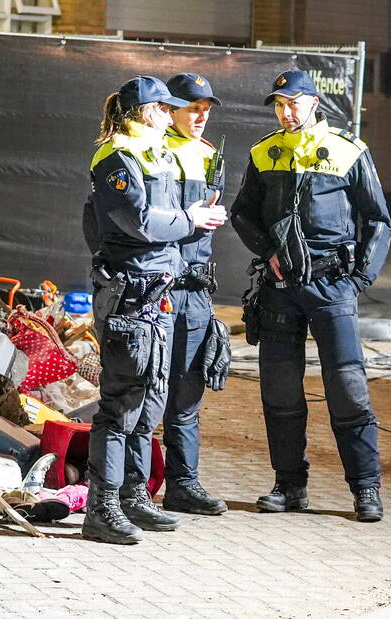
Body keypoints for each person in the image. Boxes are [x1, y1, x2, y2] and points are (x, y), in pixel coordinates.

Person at [229, 69, 391, 522]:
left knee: (348, 389)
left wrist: (359, 280)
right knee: (280, 393)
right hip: (280, 290)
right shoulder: (265, 152)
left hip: (332, 285)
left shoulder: (348, 151)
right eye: (279, 104)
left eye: (293, 103)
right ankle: (289, 486)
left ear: (314, 103)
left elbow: (378, 220)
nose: (285, 112)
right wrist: (268, 252)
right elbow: (242, 214)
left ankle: (365, 489)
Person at [82, 75, 227, 544]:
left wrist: (190, 223)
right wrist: (191, 219)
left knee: (151, 399)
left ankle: (132, 495)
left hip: (157, 289)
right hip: (131, 293)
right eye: (165, 108)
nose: (172, 115)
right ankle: (100, 508)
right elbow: (137, 221)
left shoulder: (153, 153)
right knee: (120, 404)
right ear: (146, 112)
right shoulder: (116, 157)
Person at [159, 73, 230, 516]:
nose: (201, 115)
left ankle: (183, 484)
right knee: (146, 394)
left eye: (207, 108)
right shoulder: (153, 151)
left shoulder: (209, 156)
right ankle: (131, 488)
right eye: (193, 106)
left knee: (186, 394)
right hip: (158, 289)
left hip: (196, 291)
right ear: (171, 108)